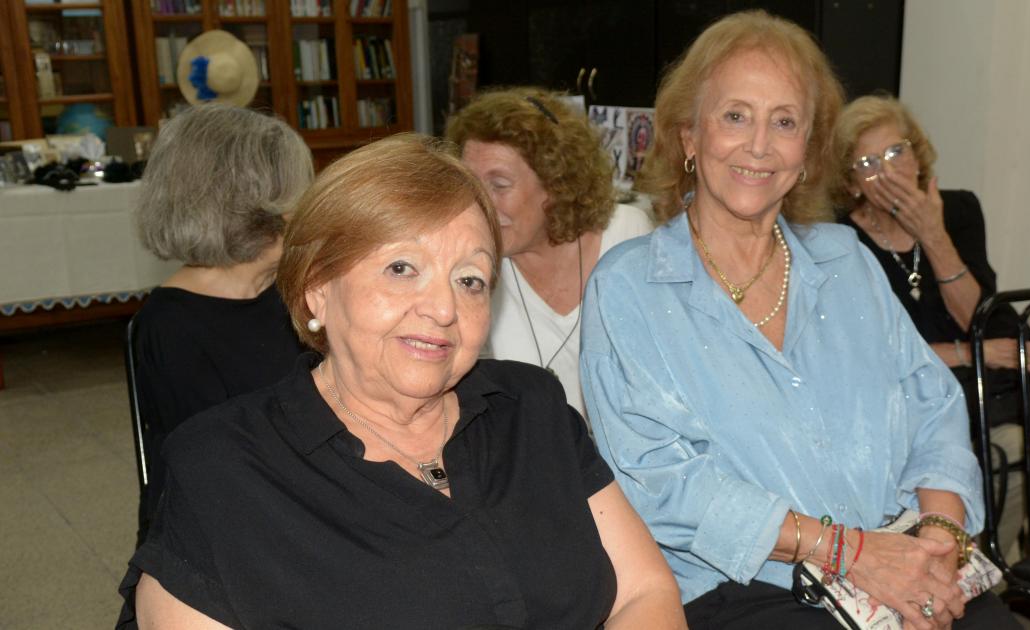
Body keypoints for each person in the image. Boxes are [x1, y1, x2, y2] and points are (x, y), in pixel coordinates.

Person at [117, 134, 686, 629]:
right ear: (318, 287)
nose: (442, 308)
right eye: (401, 268)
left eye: (470, 279)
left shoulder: (532, 408)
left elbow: (645, 591)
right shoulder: (222, 470)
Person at [580, 11, 1019, 629]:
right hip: (748, 586)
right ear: (688, 136)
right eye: (735, 116)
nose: (759, 145)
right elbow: (660, 484)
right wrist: (852, 553)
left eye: (783, 122)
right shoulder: (629, 288)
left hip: (899, 547)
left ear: (808, 152)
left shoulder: (847, 260)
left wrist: (941, 541)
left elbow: (933, 405)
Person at [832, 95, 1030, 557]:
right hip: (911, 397)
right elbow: (868, 355)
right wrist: (974, 353)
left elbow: (981, 317)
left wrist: (933, 234)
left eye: (897, 152)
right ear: (852, 183)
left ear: (918, 155)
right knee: (1019, 453)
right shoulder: (840, 241)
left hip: (985, 383)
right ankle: (985, 574)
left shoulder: (958, 211)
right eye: (869, 162)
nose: (890, 170)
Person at [131, 103, 312, 545]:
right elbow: (217, 468)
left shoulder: (284, 288)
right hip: (230, 528)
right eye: (296, 195)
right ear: (252, 208)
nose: (309, 207)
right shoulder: (172, 325)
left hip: (300, 496)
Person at [445, 87, 653, 419]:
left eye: (499, 185)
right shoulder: (472, 267)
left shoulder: (628, 236)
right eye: (469, 182)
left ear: (557, 187)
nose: (479, 203)